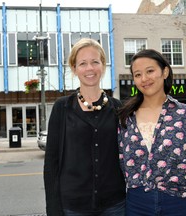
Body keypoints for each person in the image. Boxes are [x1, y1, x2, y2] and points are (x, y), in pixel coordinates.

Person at [118, 49, 186, 216]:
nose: (144, 79)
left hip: (179, 203)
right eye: (137, 74)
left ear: (164, 72)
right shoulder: (126, 117)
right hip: (137, 204)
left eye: (150, 71)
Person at [43, 38, 126, 216]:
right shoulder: (62, 107)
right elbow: (51, 163)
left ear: (103, 65)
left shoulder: (117, 107)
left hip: (115, 205)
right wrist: (53, 208)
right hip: (73, 206)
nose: (89, 68)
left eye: (95, 62)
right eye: (82, 63)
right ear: (74, 68)